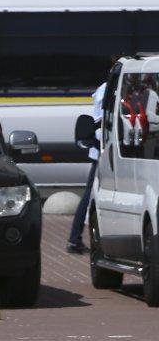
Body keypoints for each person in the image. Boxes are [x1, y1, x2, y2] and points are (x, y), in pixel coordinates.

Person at [68, 76, 109, 254]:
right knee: (89, 195)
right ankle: (74, 239)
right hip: (102, 151)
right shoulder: (107, 89)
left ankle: (75, 239)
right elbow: (100, 120)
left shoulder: (108, 87)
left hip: (105, 149)